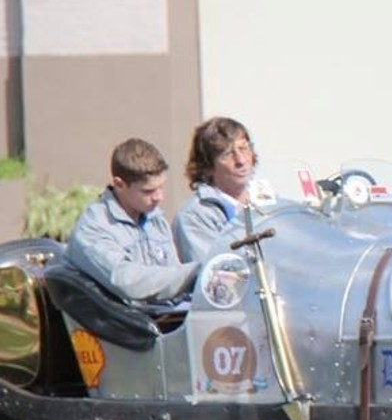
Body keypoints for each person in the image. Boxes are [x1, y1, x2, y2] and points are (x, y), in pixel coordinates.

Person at [63, 138, 199, 303]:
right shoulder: (93, 228)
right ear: (119, 184)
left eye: (161, 187)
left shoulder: (155, 219)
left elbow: (173, 274)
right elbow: (127, 281)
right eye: (148, 191)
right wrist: (196, 272)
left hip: (165, 317)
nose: (159, 197)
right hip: (121, 325)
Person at [174, 117, 258, 262]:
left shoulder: (265, 200)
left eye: (244, 148)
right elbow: (214, 272)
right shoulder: (195, 215)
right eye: (227, 154)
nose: (241, 160)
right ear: (207, 167)